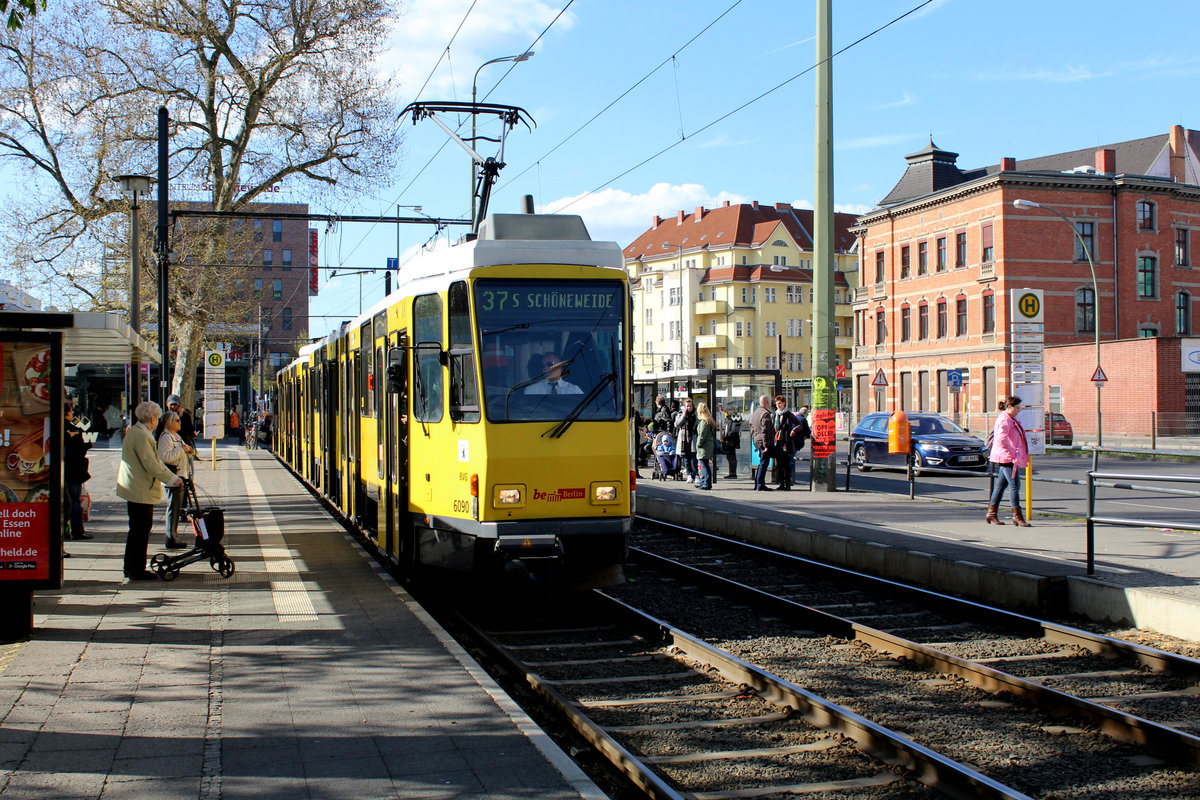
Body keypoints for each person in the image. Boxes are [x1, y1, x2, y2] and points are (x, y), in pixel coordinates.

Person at [116, 401, 184, 581]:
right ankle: (135, 569)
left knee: (137, 530)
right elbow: (151, 463)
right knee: (140, 530)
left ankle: (130, 567)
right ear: (153, 419)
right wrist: (172, 479)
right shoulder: (141, 435)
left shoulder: (137, 432)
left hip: (136, 486)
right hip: (140, 488)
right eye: (157, 419)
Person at [987, 395, 1031, 527]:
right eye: (1017, 408)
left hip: (1007, 456)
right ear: (1009, 407)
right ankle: (1017, 516)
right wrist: (1013, 452)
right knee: (1015, 485)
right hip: (1006, 457)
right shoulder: (1004, 420)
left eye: (1020, 408)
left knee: (1001, 486)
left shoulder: (1010, 419)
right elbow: (1002, 439)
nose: (1019, 410)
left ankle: (991, 513)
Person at [157, 411, 193, 549]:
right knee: (173, 508)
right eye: (177, 420)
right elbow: (165, 457)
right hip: (173, 477)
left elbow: (186, 451)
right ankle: (171, 537)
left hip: (181, 476)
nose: (180, 422)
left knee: (177, 508)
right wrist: (182, 450)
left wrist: (188, 450)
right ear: (170, 422)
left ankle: (174, 535)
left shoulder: (176, 436)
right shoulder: (166, 437)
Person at [63, 400, 93, 541]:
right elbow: (85, 444)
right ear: (68, 413)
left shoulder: (57, 426)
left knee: (67, 500)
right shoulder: (72, 427)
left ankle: (66, 530)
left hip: (64, 468)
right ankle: (77, 530)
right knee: (74, 500)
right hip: (73, 469)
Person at [772, 396, 800, 490]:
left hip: (786, 442)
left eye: (779, 403)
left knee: (787, 465)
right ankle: (781, 483)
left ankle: (787, 484)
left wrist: (794, 430)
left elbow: (799, 424)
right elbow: (773, 428)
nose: (778, 405)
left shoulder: (789, 414)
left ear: (784, 403)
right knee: (779, 465)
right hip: (778, 442)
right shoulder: (775, 415)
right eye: (776, 404)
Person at [749, 394, 776, 491]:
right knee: (764, 462)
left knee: (762, 462)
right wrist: (766, 445)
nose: (769, 404)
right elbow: (765, 431)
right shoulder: (765, 414)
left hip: (757, 440)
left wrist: (754, 437)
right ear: (765, 403)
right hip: (763, 441)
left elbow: (751, 427)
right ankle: (760, 484)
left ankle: (758, 483)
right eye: (768, 402)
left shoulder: (755, 412)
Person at [673, 397, 699, 483]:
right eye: (687, 406)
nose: (689, 407)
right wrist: (684, 415)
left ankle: (695, 475)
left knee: (693, 458)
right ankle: (689, 474)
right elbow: (677, 424)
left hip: (693, 437)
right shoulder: (680, 413)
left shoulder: (695, 414)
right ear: (684, 406)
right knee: (685, 458)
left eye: (690, 406)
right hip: (684, 438)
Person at [694, 402, 717, 490]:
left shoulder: (703, 422)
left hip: (704, 446)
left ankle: (706, 483)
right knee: (705, 464)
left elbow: (702, 435)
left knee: (704, 465)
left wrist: (698, 444)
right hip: (708, 445)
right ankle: (704, 482)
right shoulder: (708, 421)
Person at [720, 408, 742, 479]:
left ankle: (733, 473)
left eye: (731, 410)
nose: (728, 411)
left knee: (731, 457)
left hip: (731, 441)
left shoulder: (735, 418)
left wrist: (725, 437)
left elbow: (733, 431)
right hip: (729, 440)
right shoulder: (728, 419)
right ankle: (732, 473)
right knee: (730, 457)